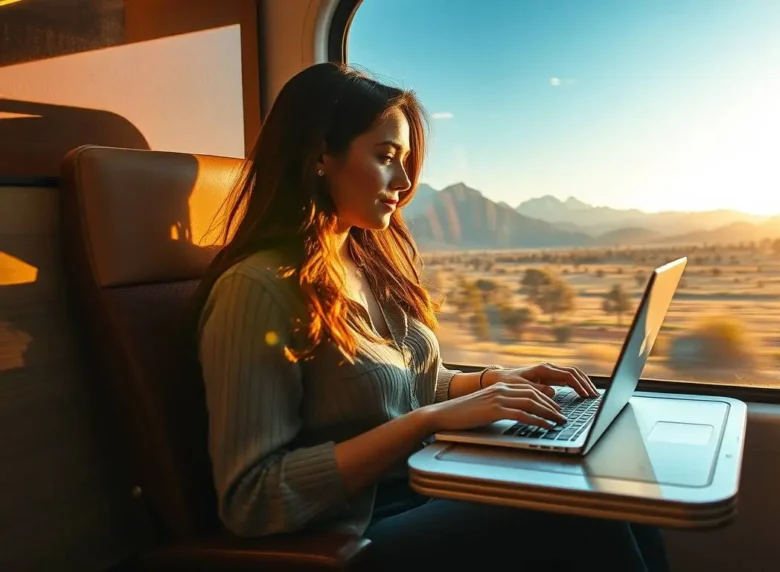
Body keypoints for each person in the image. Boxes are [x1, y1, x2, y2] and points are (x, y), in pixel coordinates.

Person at [186, 62, 670, 572]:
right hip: (349, 534)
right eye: (385, 157)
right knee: (577, 507)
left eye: (406, 161)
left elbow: (400, 385)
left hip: (419, 487)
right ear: (320, 156)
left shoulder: (364, 261)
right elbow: (251, 499)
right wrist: (429, 421)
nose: (404, 180)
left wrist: (492, 382)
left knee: (615, 486)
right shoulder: (257, 290)